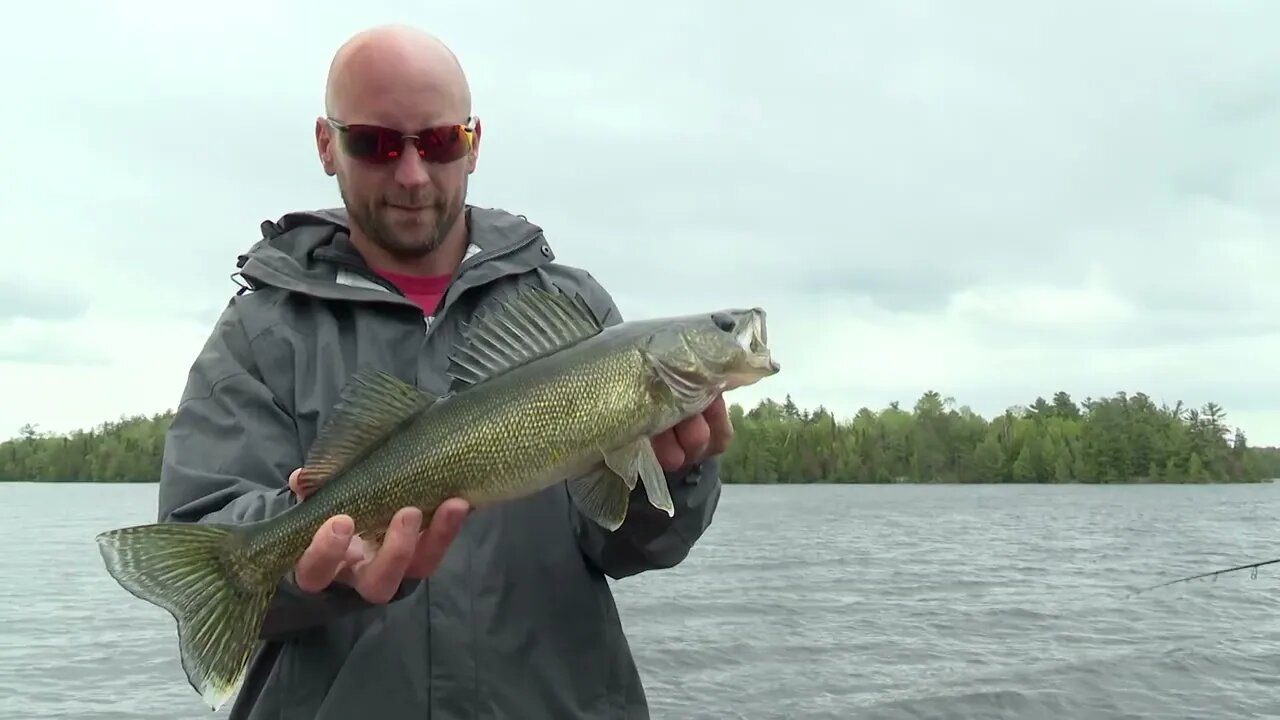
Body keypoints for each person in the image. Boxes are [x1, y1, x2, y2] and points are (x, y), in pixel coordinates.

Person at [155, 23, 732, 720]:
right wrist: (322, 564)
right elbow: (205, 527)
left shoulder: (572, 311)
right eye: (374, 142)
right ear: (326, 145)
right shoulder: (260, 330)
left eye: (437, 143)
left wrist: (670, 477)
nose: (411, 174)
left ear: (474, 142)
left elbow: (631, 543)